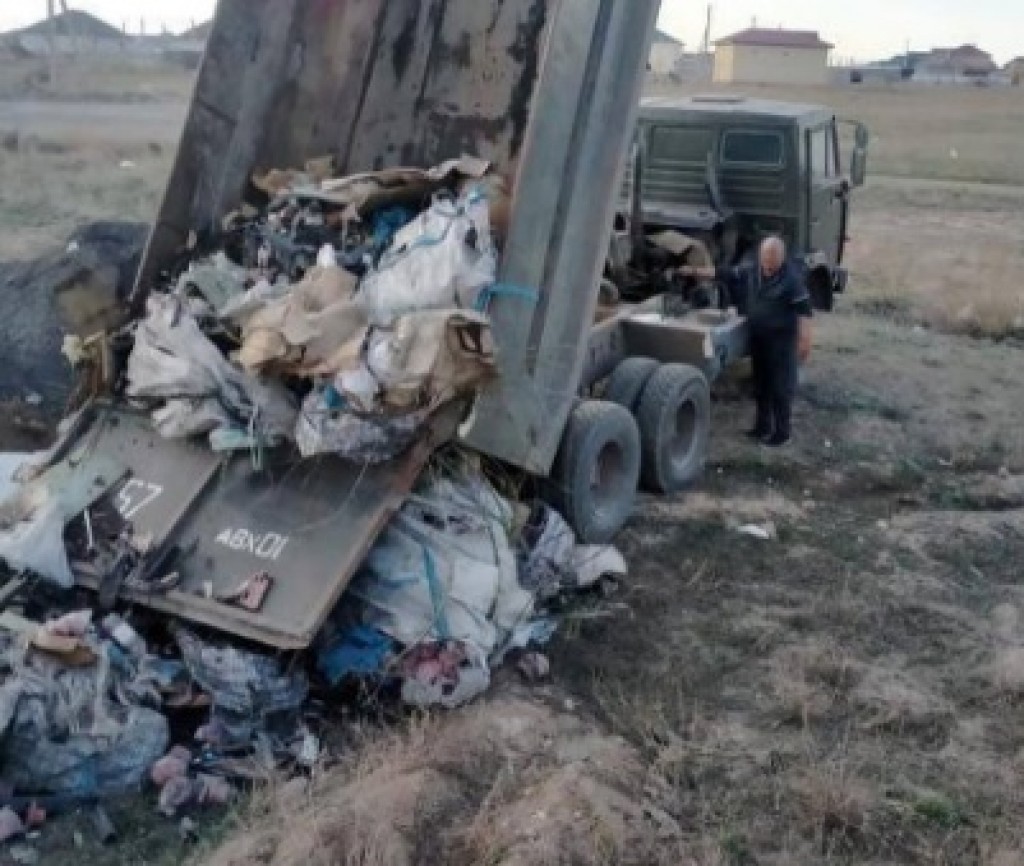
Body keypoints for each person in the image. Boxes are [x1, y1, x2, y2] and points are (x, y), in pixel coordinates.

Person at [679, 236, 812, 447]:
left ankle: (782, 433)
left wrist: (804, 341)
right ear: (760, 256)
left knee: (780, 387)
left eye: (772, 259)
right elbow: (723, 273)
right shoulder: (752, 271)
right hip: (759, 337)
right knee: (761, 384)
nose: (768, 263)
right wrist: (694, 271)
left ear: (781, 258)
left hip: (781, 341)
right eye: (765, 258)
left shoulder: (791, 280)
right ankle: (762, 427)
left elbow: (804, 312)